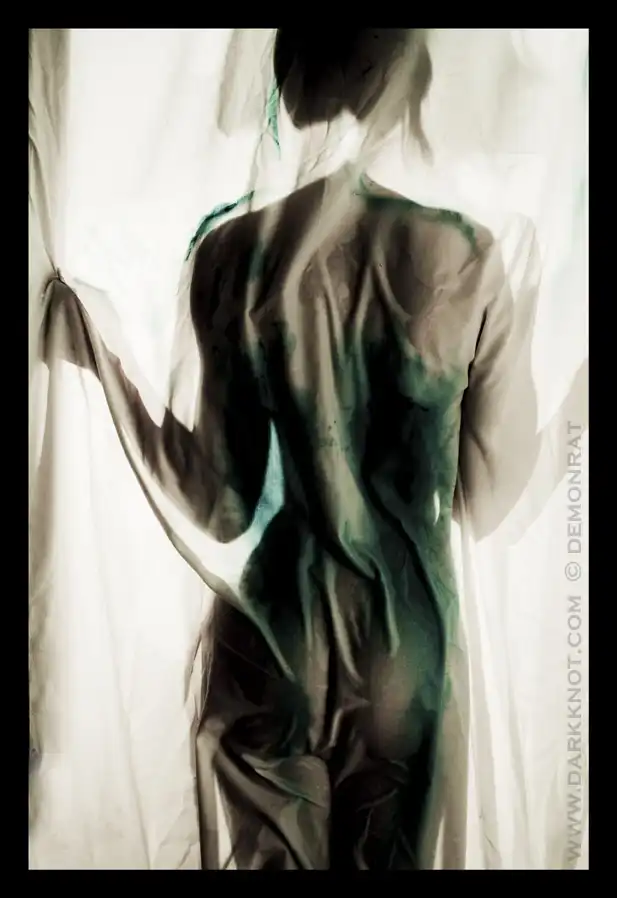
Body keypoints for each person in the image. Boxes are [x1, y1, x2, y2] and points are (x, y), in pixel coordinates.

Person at [41, 28, 585, 869]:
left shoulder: (232, 253)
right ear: (410, 86)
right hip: (400, 647)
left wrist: (111, 370)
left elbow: (220, 506)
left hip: (270, 635)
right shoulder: (467, 256)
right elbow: (487, 502)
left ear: (288, 84)